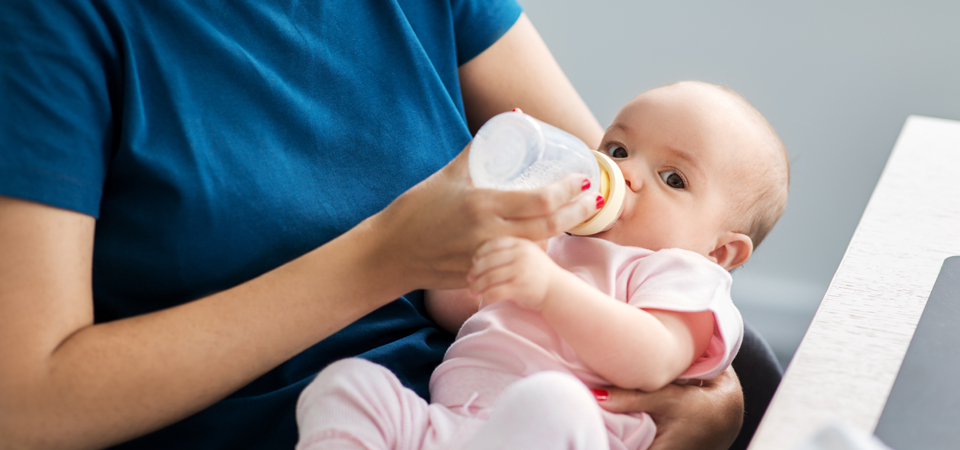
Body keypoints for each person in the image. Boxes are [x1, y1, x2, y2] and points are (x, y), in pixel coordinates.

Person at [0, 1, 745, 449]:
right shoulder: (46, 29)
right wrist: (384, 259)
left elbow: (622, 219)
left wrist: (713, 392)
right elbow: (22, 409)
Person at [295, 81, 790, 450]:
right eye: (618, 149)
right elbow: (453, 307)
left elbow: (652, 358)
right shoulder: (557, 236)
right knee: (349, 385)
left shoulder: (682, 276)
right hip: (453, 427)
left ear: (721, 252)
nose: (626, 172)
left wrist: (548, 288)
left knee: (555, 400)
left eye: (673, 179)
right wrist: (510, 240)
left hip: (564, 432)